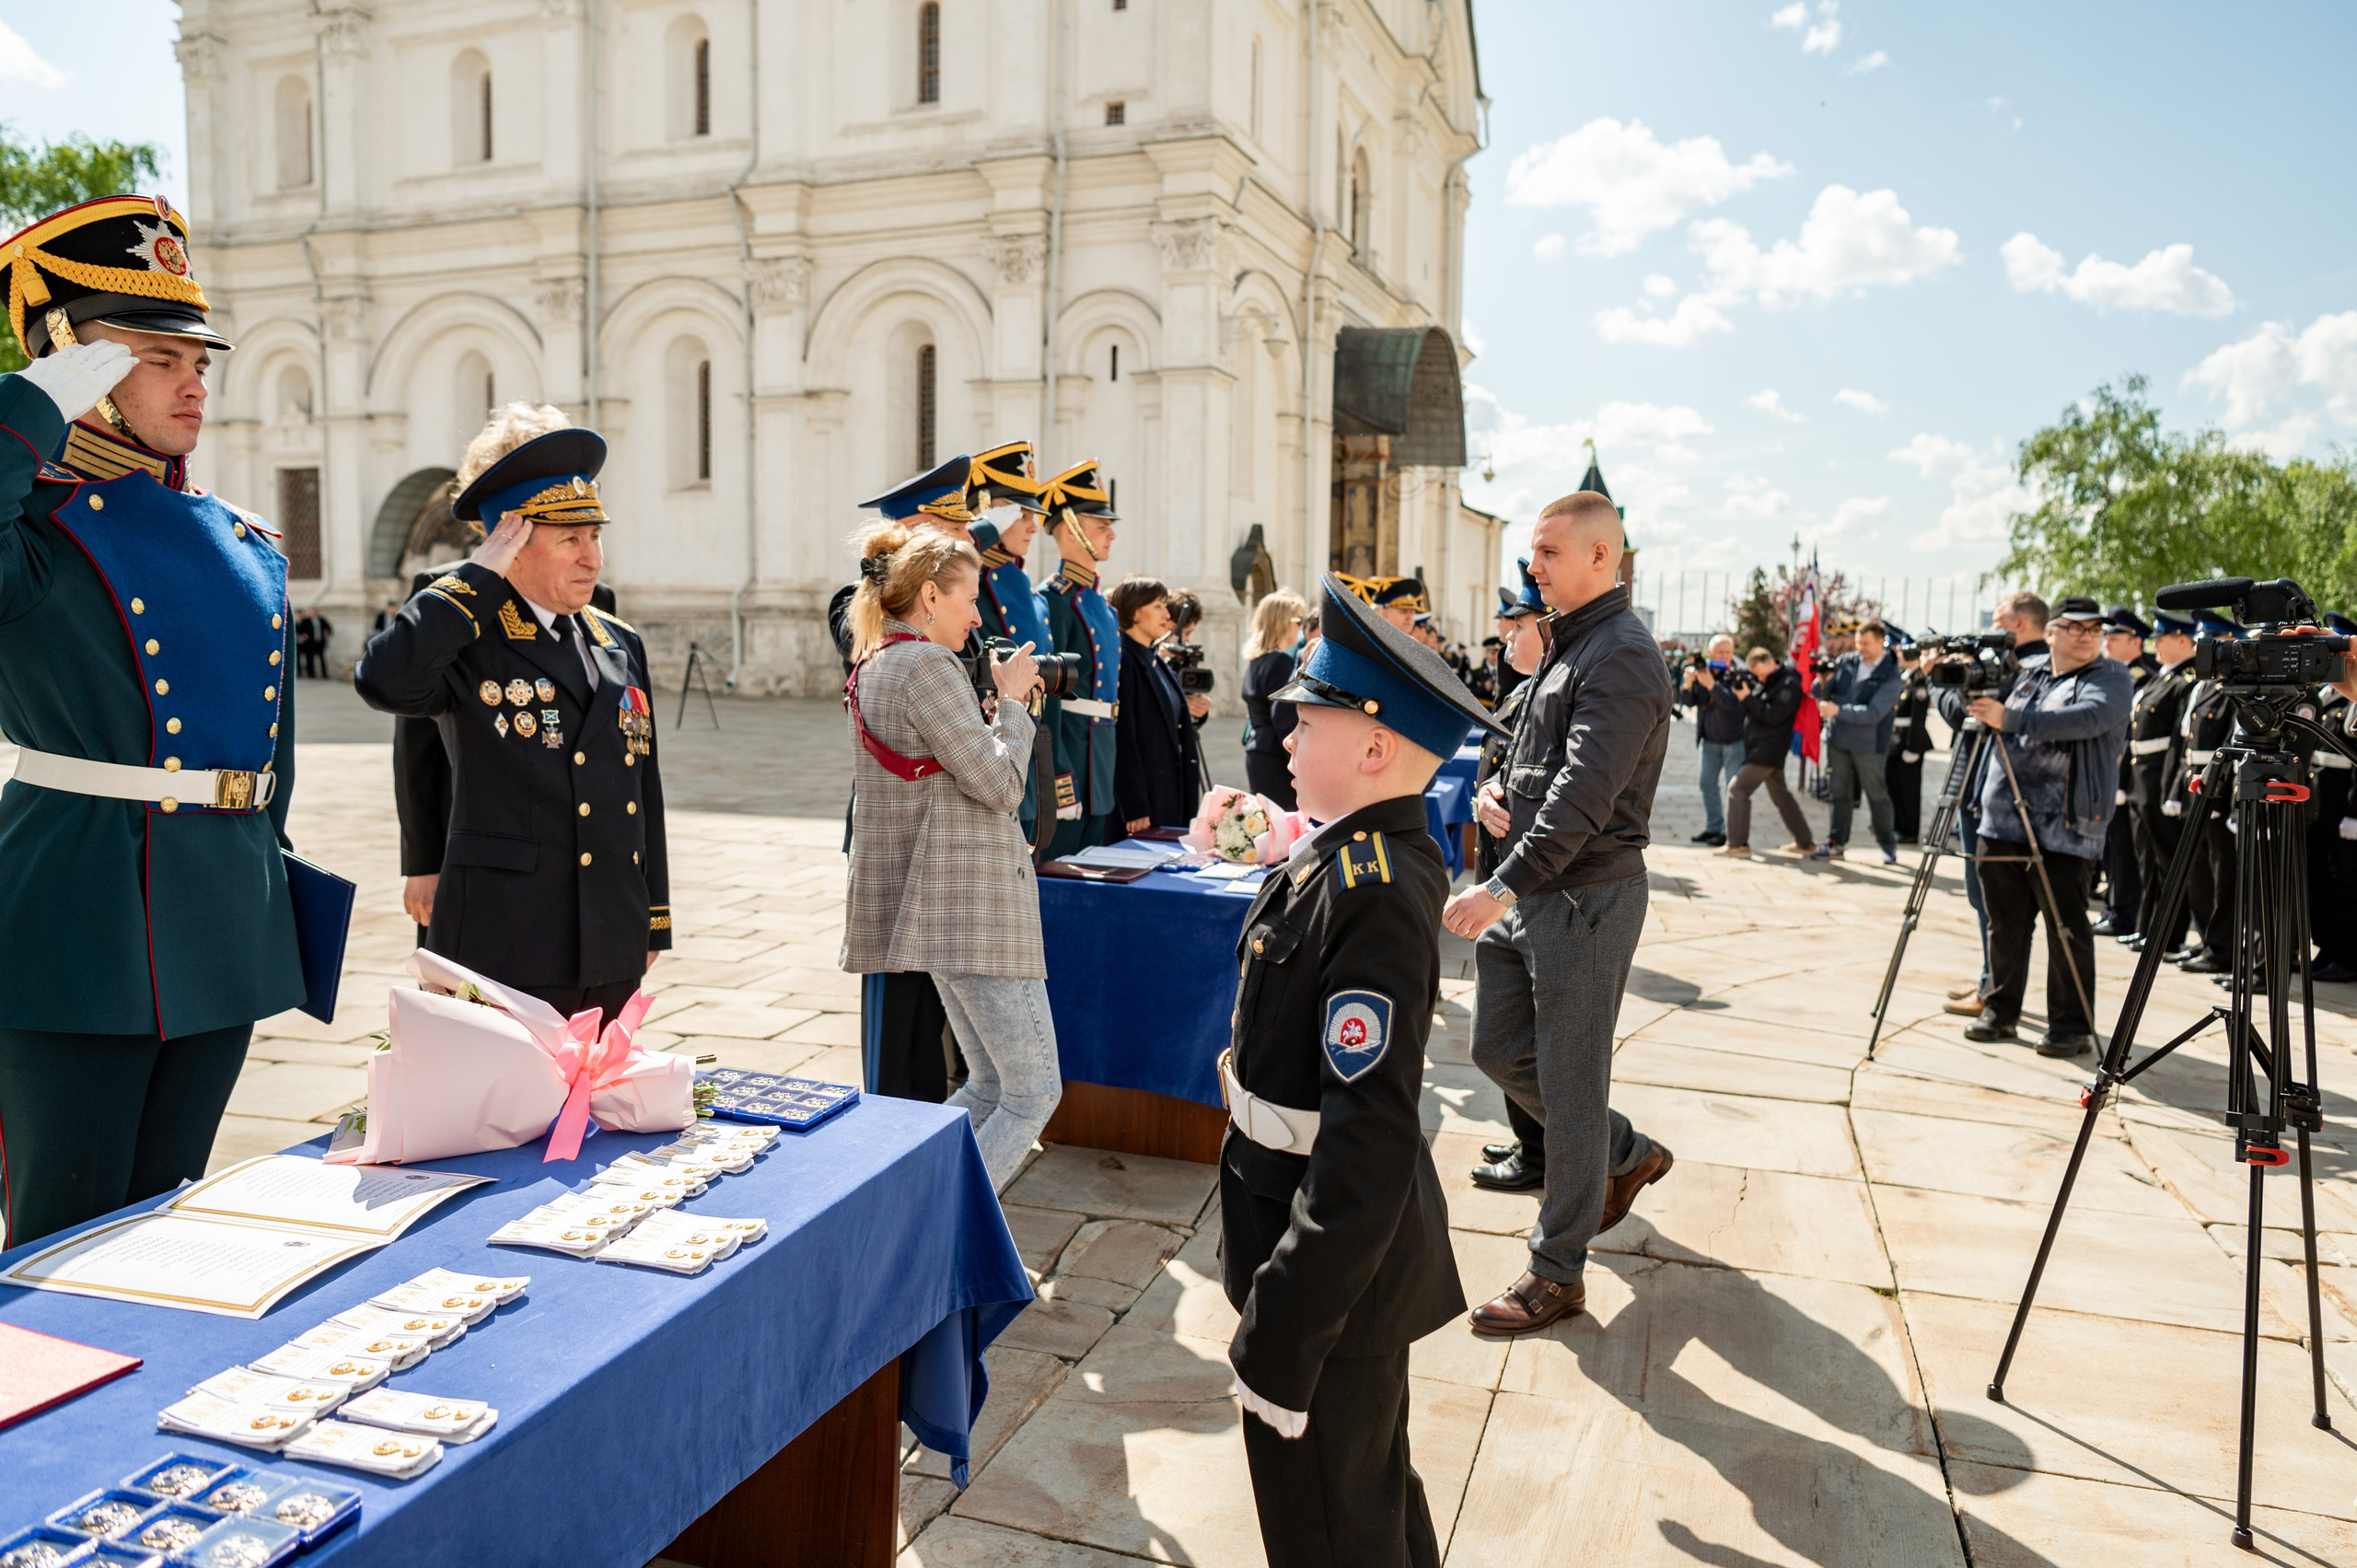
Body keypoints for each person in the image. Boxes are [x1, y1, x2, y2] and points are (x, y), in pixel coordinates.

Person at [0, 194, 305, 1249]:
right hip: (76, 924)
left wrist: (273, 897)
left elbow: (272, 767)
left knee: (167, 1224)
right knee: (60, 1240)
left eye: (200, 356)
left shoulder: (244, 540)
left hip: (220, 918)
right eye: (154, 353)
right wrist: (24, 412)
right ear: (66, 363)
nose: (195, 378)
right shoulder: (33, 527)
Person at [1220, 575, 1504, 1568]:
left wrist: (1287, 1322)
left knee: (1328, 1521)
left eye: (1306, 723)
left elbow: (1368, 1138)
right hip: (1292, 1227)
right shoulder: (1356, 850)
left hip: (1326, 1269)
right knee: (1361, 1493)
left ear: (1375, 748)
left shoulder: (1375, 888)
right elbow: (1319, 855)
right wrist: (1263, 828)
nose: (1285, 740)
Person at [1443, 490, 1674, 1337]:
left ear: (1600, 557)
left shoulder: (1624, 654)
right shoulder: (1565, 642)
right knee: (1497, 1049)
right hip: (1534, 886)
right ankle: (1620, 1150)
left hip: (1581, 895)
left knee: (1570, 1083)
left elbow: (1583, 797)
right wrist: (1500, 790)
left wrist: (1499, 885)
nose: (1530, 566)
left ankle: (1557, 1268)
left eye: (1544, 553)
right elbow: (1536, 764)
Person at [355, 427, 671, 1025]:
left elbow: (641, 788)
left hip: (611, 935)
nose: (592, 556)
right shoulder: (469, 635)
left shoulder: (617, 640)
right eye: (570, 538)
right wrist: (478, 574)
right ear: (513, 542)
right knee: (496, 1114)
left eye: (596, 534)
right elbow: (383, 681)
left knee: (597, 1109)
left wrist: (652, 916)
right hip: (506, 937)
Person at [838, 519, 1060, 1191]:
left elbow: (940, 772)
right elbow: (999, 784)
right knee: (1031, 1093)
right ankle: (945, 1228)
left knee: (990, 1085)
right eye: (968, 599)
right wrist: (1015, 703)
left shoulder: (878, 660)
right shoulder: (928, 665)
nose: (977, 615)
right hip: (971, 907)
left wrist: (991, 713)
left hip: (940, 905)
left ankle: (912, 1200)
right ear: (930, 595)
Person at [392, 403, 625, 949]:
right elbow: (417, 738)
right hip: (477, 838)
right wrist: (424, 861)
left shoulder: (599, 604)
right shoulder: (446, 592)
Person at [833, 455, 977, 1103]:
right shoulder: (864, 604)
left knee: (935, 1008)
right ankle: (892, 1125)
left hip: (951, 827)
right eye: (949, 528)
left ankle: (930, 1113)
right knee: (899, 1014)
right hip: (902, 827)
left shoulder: (953, 600)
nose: (965, 540)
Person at [1935, 596, 2131, 1056]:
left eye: (2093, 629)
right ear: (2050, 633)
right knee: (2004, 923)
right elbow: (1977, 714)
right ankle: (2001, 1011)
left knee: (2066, 929)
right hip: (2002, 823)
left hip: (2066, 827)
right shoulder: (2028, 672)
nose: (2086, 636)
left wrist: (2013, 719)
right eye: (2075, 627)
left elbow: (2088, 719)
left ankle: (2069, 1025)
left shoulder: (2111, 676)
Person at [1469, 563, 1550, 1195]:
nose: (1505, 636)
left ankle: (1546, 1149)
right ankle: (1531, 1138)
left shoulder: (1547, 692)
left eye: (1516, 624)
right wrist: (1483, 797)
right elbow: (1495, 772)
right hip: (1502, 872)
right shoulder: (1520, 690)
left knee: (1522, 1032)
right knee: (1508, 1023)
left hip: (1529, 880)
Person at [1943, 591, 2053, 1017]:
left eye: (1997, 620)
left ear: (2020, 624)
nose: (1989, 628)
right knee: (1986, 900)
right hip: (1987, 791)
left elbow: (1963, 713)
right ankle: (1992, 979)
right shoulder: (2018, 663)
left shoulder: (2021, 667)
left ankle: (1996, 990)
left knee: (1992, 902)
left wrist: (1941, 681)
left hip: (1997, 796)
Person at [966, 441, 1056, 846]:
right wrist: (980, 531)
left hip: (1028, 745)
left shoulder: (1020, 584)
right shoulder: (974, 580)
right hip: (989, 750)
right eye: (1020, 514)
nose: (1032, 526)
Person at [1039, 461, 1122, 855]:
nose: (1112, 533)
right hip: (1072, 756)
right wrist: (1059, 772)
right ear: (1070, 526)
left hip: (1101, 759)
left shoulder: (1103, 606)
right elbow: (1049, 698)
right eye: (1100, 525)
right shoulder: (1055, 601)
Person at [1109, 575, 1208, 831]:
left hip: (1168, 793)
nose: (1166, 613)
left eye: (1165, 605)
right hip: (1146, 799)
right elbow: (1123, 736)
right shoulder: (1125, 659)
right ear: (1134, 611)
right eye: (1157, 606)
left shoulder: (1155, 659)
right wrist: (1135, 805)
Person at [2125, 611, 2197, 955]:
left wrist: (2172, 789)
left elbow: (2178, 742)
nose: (2155, 644)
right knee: (2148, 862)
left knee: (2168, 863)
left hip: (2161, 781)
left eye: (2162, 638)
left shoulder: (2185, 682)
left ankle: (2169, 935)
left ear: (2183, 639)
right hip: (2143, 778)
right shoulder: (2159, 679)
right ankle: (2148, 929)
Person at [1811, 619, 1902, 864]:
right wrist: (1823, 677)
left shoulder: (1891, 677)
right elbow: (1819, 692)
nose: (1861, 648)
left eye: (1867, 643)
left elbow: (1873, 714)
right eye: (1859, 642)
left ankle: (1887, 845)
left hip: (1870, 746)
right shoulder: (1847, 662)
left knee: (1876, 795)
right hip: (1839, 741)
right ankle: (1836, 843)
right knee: (1839, 794)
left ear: (1882, 642)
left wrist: (1837, 710)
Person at [2093, 608, 2159, 938]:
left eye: (2114, 637)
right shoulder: (2108, 673)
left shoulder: (2145, 675)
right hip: (2108, 772)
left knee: (2124, 848)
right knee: (2109, 846)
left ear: (2136, 641)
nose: (2107, 642)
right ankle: (2113, 907)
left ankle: (2124, 913)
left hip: (2128, 776)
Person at [1717, 648, 1817, 859]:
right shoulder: (1766, 681)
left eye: (1761, 674)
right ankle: (1805, 842)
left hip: (1770, 748)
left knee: (1738, 789)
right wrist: (1745, 695)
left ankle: (1737, 844)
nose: (1760, 678)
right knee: (1782, 797)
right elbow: (1752, 709)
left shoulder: (1789, 683)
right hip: (1758, 746)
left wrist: (1748, 698)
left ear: (1770, 663)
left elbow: (1775, 716)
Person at [1240, 588, 1308, 808]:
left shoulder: (1256, 660)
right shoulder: (1280, 662)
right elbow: (1283, 718)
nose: (1300, 628)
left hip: (1257, 752)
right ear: (1283, 622)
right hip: (1276, 757)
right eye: (1297, 620)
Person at [1679, 632, 1747, 847]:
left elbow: (1732, 704)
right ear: (1710, 653)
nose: (1724, 656)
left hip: (1734, 740)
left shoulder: (1739, 672)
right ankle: (1713, 827)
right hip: (1709, 739)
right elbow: (1690, 703)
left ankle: (1730, 833)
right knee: (1706, 783)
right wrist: (1688, 683)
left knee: (1732, 787)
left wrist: (1711, 685)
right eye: (1720, 652)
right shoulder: (1703, 670)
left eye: (1728, 652)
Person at [1885, 635, 1932, 843]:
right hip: (1895, 741)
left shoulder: (1919, 680)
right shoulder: (1905, 677)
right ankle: (1897, 826)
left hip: (1909, 742)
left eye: (1902, 652)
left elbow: (1918, 717)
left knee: (1909, 790)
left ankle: (1909, 831)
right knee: (1894, 786)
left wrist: (1913, 747)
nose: (1898, 655)